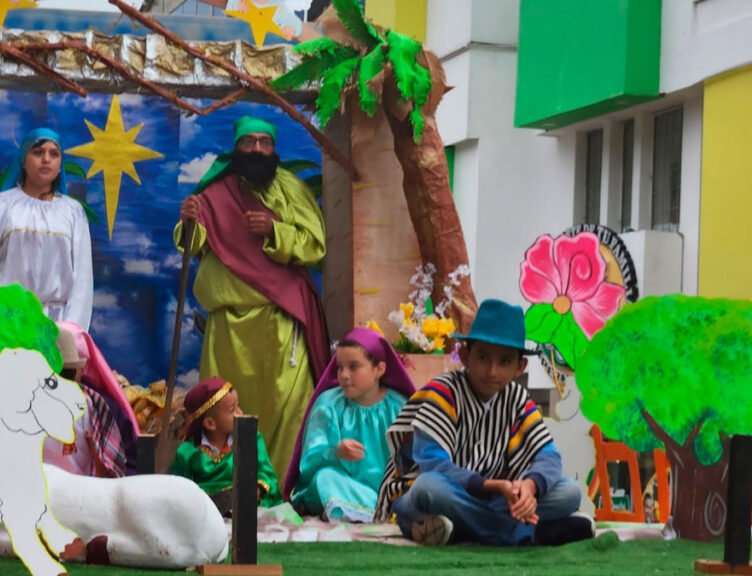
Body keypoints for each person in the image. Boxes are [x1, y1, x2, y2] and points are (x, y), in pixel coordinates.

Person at [176, 115, 329, 477]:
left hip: (280, 318)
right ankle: (224, 483)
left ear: (274, 148)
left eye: (264, 142)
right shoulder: (214, 193)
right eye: (249, 142)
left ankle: (280, 486)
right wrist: (189, 222)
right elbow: (193, 248)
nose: (257, 148)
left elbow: (315, 246)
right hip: (228, 326)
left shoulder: (292, 190)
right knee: (224, 409)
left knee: (288, 407)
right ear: (237, 147)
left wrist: (275, 231)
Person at [376, 299, 595, 547]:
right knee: (431, 487)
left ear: (519, 367)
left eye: (504, 361)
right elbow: (434, 465)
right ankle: (530, 535)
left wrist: (529, 487)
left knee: (569, 492)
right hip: (427, 495)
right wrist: (492, 486)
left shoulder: (517, 399)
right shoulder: (444, 391)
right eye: (483, 357)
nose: (492, 371)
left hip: (482, 499)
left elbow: (549, 457)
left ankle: (459, 530)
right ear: (466, 356)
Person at [0, 127, 94, 329]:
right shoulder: (2, 205)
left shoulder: (73, 212)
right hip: (5, 323)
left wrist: (72, 331)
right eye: (38, 152)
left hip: (55, 325)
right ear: (23, 161)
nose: (46, 159)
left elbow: (82, 279)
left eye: (54, 154)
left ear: (60, 163)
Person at [285, 328, 415, 523]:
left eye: (353, 367)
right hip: (340, 486)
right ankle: (376, 513)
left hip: (390, 491)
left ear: (379, 369)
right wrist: (334, 452)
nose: (344, 375)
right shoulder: (328, 404)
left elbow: (415, 461)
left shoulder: (401, 407)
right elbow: (308, 463)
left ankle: (374, 511)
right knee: (325, 478)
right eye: (339, 367)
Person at [170, 377, 282, 516]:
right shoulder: (187, 453)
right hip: (206, 516)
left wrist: (255, 490)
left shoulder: (250, 440)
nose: (240, 412)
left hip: (250, 511)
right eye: (232, 409)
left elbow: (267, 474)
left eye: (238, 405)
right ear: (210, 423)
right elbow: (178, 492)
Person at [43, 321, 139, 478]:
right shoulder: (100, 407)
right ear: (80, 372)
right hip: (87, 496)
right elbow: (126, 465)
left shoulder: (18, 408)